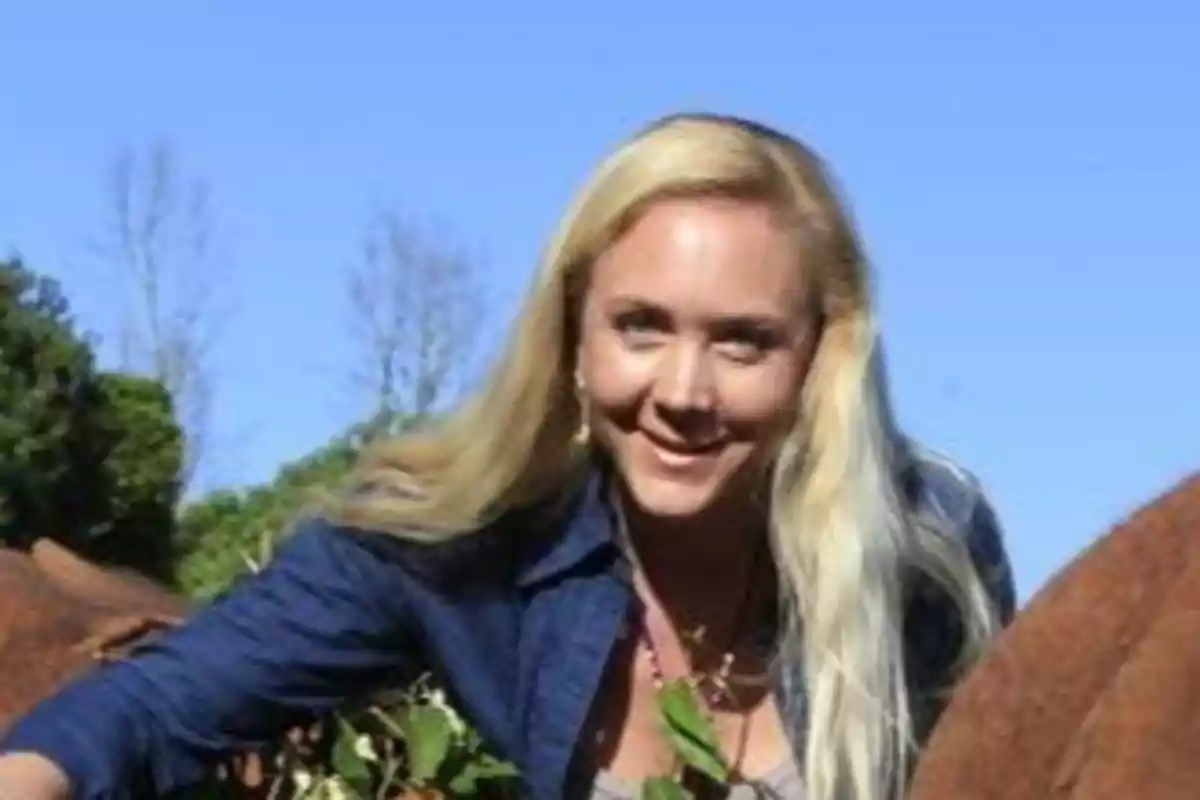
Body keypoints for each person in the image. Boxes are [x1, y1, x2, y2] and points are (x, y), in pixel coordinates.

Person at [0, 112, 1017, 800]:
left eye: (743, 339)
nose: (683, 391)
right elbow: (158, 703)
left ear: (817, 359)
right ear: (573, 335)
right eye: (642, 326)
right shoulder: (460, 540)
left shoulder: (926, 546)